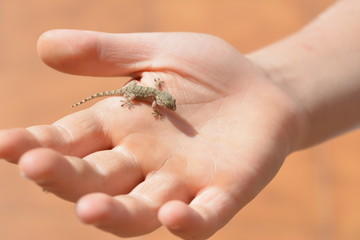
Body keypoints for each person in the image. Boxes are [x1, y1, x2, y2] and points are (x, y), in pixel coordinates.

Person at [1, 0, 359, 239]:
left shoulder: (161, 99)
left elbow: (159, 100)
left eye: (167, 104)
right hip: (131, 98)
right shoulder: (155, 99)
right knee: (121, 102)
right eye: (167, 103)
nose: (169, 106)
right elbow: (149, 98)